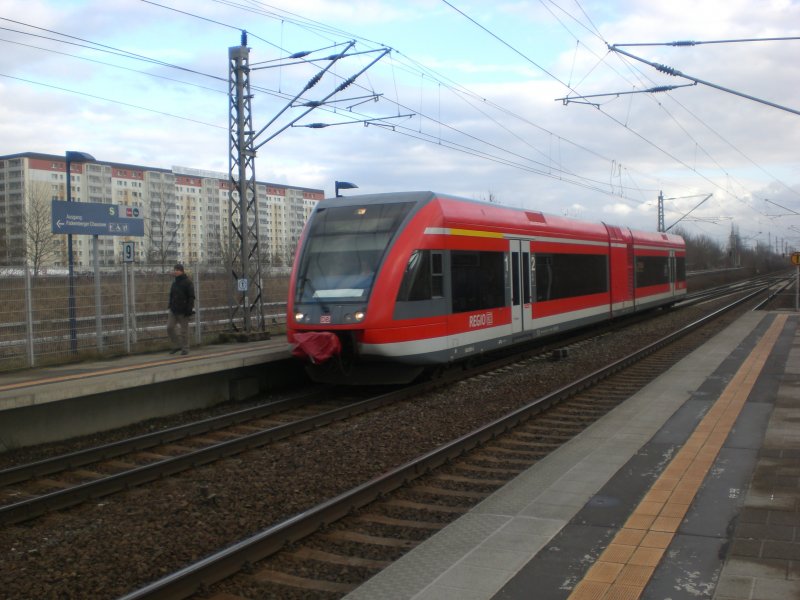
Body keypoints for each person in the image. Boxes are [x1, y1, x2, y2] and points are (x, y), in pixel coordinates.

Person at [167, 263, 195, 355]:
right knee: (169, 328)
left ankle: (185, 349)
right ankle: (177, 345)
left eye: (177, 270)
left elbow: (191, 297)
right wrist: (170, 305)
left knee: (184, 331)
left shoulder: (188, 282)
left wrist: (189, 309)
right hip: (173, 310)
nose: (175, 271)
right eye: (174, 269)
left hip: (184, 310)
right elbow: (171, 295)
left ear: (182, 271)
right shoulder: (174, 283)